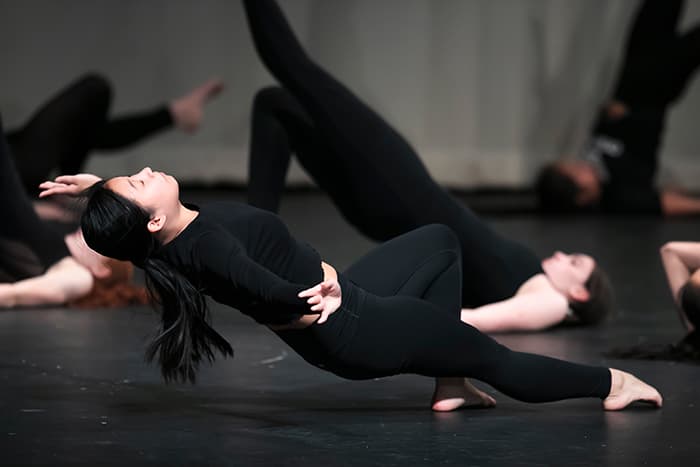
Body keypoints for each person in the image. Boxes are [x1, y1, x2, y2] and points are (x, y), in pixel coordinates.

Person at [39, 0, 663, 413]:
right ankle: (612, 384)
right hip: (356, 329)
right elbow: (263, 286)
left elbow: (169, 233)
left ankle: (448, 380)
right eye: (138, 182)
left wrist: (98, 186)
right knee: (496, 358)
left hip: (353, 313)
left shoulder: (174, 234)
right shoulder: (208, 245)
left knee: (441, 242)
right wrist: (315, 299)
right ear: (152, 218)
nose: (146, 171)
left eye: (135, 172)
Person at [241, 1, 612, 332]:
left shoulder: (550, 300)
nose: (563, 255)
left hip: (399, 189)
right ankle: (254, 248)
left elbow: (483, 320)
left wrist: (383, 316)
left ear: (578, 293)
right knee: (275, 104)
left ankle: (254, 246)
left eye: (575, 262)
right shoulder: (539, 284)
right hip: (385, 205)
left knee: (295, 68)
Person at [536, 0, 700, 216]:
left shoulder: (596, 171)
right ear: (583, 195)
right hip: (653, 91)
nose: (578, 166)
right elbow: (662, 203)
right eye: (576, 173)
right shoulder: (620, 197)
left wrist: (607, 116)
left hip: (630, 81)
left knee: (659, 8)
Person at [5, 73, 222, 219]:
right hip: (13, 166)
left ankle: (174, 114)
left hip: (11, 151)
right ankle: (174, 114)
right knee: (94, 90)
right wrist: (29, 209)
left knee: (86, 125)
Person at [0, 116, 147, 309]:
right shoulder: (62, 250)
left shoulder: (79, 277)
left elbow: (13, 295)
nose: (87, 234)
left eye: (99, 240)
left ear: (100, 270)